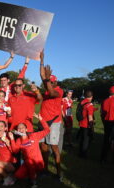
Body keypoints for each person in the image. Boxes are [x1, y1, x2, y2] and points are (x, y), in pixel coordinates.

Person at [39, 52, 64, 181]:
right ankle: (45, 170)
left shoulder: (59, 91)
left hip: (53, 123)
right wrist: (42, 60)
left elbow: (53, 92)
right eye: (50, 82)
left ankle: (59, 173)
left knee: (53, 147)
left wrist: (48, 79)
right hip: (43, 121)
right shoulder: (47, 87)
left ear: (56, 82)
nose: (50, 83)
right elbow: (42, 75)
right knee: (43, 146)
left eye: (53, 82)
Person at [10, 113, 50, 188]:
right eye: (19, 128)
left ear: (26, 129)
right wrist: (12, 139)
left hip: (38, 163)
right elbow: (15, 151)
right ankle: (32, 174)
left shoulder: (33, 136)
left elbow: (47, 130)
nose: (21, 129)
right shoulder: (18, 140)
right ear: (17, 131)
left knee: (29, 161)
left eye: (22, 128)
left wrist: (41, 119)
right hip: (28, 163)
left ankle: (33, 180)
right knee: (18, 175)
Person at [77, 90, 95, 158]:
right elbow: (90, 116)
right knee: (86, 140)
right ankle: (83, 154)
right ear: (91, 97)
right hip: (87, 125)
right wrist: (91, 126)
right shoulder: (89, 104)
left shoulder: (82, 102)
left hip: (81, 123)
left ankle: (80, 152)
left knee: (82, 139)